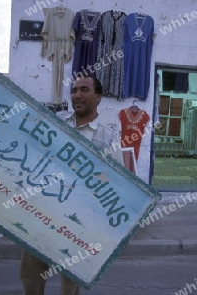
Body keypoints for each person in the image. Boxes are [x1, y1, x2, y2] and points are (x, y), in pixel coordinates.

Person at [20, 75, 123, 295]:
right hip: (40, 215)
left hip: (78, 225)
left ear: (98, 96)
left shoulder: (108, 138)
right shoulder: (54, 122)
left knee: (70, 285)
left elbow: (117, 184)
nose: (77, 95)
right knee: (31, 277)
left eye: (84, 90)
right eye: (74, 90)